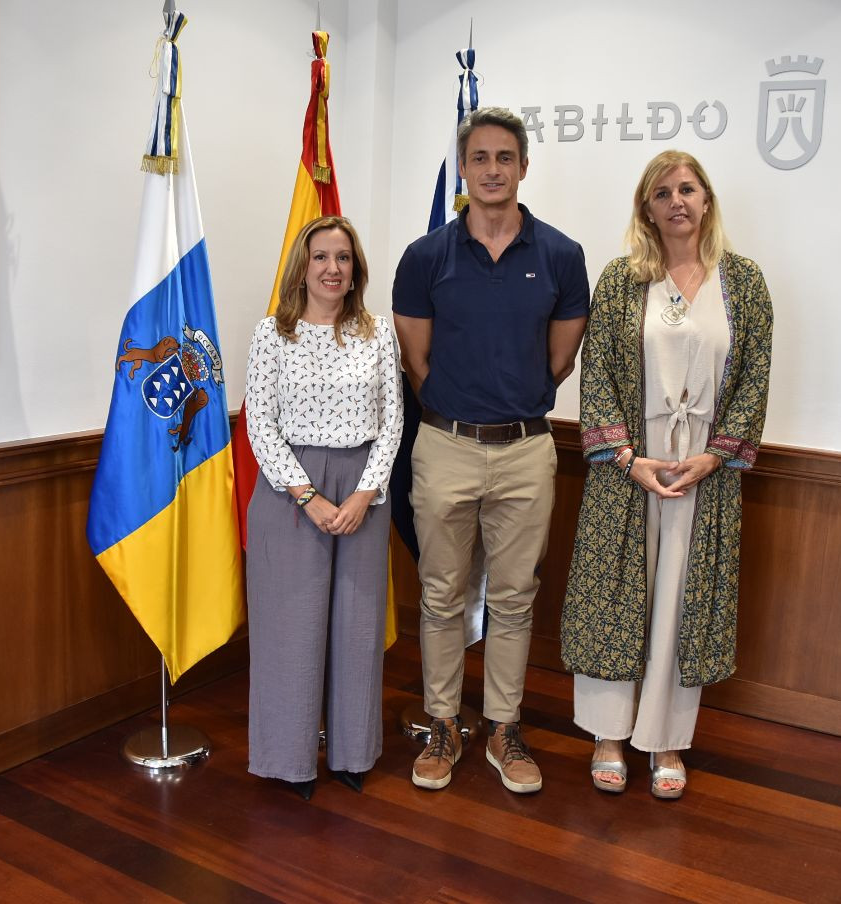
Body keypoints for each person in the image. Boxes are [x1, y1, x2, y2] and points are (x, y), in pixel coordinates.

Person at [561, 150, 773, 798]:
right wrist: (629, 459)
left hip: (703, 472)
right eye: (662, 192)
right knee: (618, 599)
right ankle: (607, 734)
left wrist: (716, 455)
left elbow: (756, 375)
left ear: (706, 199)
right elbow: (596, 375)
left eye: (687, 189)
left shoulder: (744, 282)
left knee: (683, 604)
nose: (676, 201)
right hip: (631, 467)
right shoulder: (621, 280)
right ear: (646, 208)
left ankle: (667, 742)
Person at [393, 107, 589, 794]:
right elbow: (415, 357)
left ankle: (504, 727)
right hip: (444, 444)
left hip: (526, 451)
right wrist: (454, 405)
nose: (493, 170)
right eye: (480, 158)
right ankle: (444, 723)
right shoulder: (426, 258)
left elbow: (559, 361)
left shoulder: (561, 255)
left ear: (524, 167)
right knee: (442, 595)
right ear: (465, 170)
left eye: (505, 157)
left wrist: (510, 397)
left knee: (513, 599)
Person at [244, 215, 403, 800]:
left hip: (364, 485)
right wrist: (308, 496)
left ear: (355, 268)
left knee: (358, 627)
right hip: (291, 492)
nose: (333, 269)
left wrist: (364, 492)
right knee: (291, 626)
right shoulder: (272, 334)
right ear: (302, 267)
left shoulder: (377, 331)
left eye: (343, 258)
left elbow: (393, 421)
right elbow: (259, 423)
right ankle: (288, 760)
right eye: (321, 258)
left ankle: (352, 754)